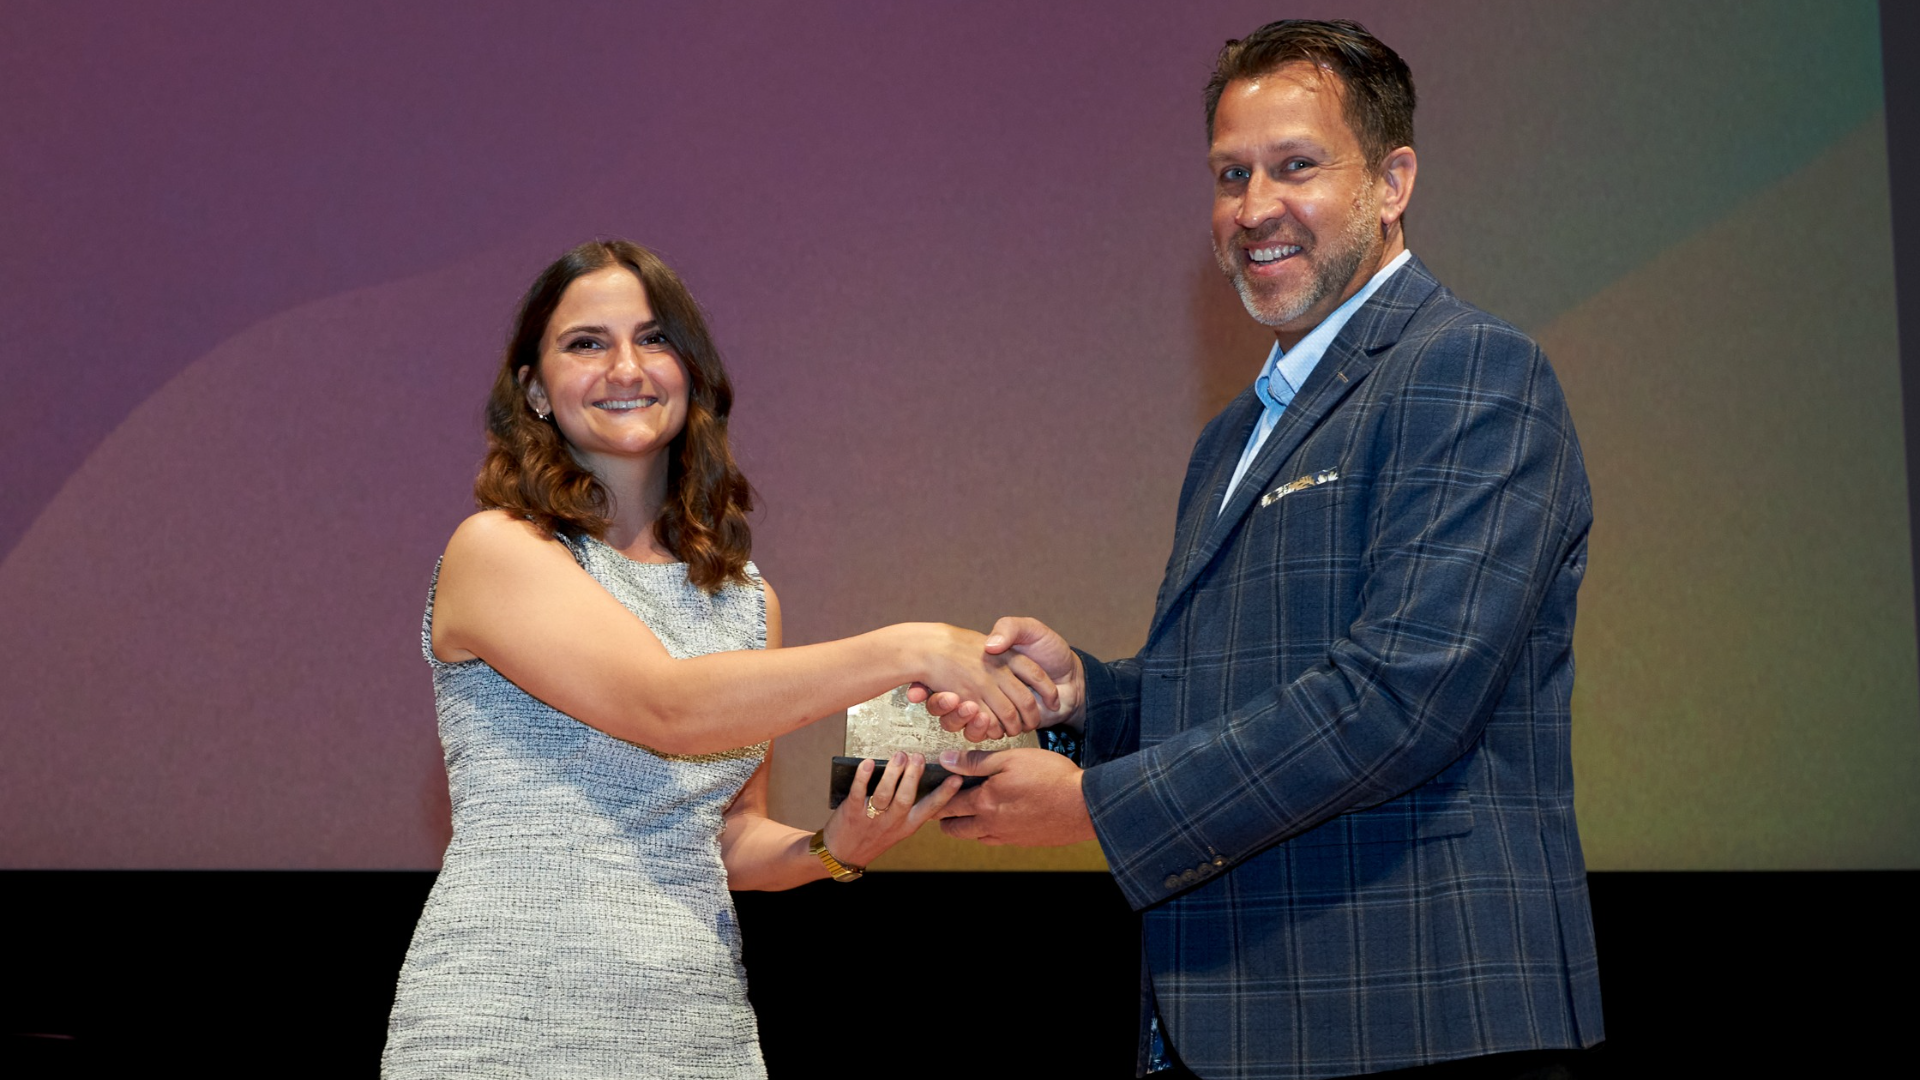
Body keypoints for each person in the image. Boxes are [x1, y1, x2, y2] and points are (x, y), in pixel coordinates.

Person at [925, 20, 1604, 1080]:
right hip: (1244, 1025)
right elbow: (1235, 688)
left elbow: (1402, 698)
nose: (1252, 209)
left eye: (1296, 167)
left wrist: (1097, 808)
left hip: (1417, 1016)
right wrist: (1087, 699)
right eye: (1231, 174)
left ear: (1392, 183)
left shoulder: (1470, 369)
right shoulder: (1231, 437)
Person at [380, 239, 1055, 1078]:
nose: (626, 367)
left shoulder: (744, 600)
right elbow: (668, 706)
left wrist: (834, 846)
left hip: (695, 1033)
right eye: (586, 343)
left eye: (654, 339)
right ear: (535, 390)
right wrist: (910, 648)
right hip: (506, 1028)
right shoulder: (496, 550)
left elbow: (727, 836)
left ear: (691, 372)